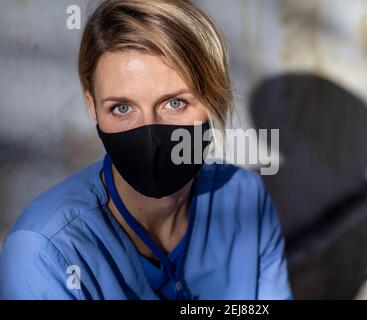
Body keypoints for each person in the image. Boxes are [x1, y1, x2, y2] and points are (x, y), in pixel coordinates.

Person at [0, 0, 292, 300]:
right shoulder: (45, 253)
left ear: (212, 99)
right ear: (93, 107)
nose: (150, 134)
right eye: (122, 107)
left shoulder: (246, 198)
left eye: (175, 103)